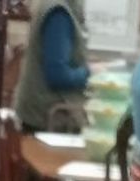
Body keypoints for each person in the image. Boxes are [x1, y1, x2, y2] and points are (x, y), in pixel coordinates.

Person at [14, 0, 88, 134]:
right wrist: (90, 74)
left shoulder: (54, 6)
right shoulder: (58, 13)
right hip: (48, 118)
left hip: (39, 113)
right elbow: (58, 76)